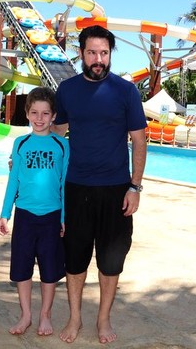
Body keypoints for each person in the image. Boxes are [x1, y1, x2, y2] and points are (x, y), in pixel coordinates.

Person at [52, 25, 148, 344]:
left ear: (110, 55)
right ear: (81, 53)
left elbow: (138, 139)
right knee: (75, 259)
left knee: (110, 261)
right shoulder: (67, 90)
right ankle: (75, 318)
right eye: (92, 52)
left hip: (116, 190)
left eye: (104, 53)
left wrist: (135, 187)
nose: (98, 59)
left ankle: (103, 318)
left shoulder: (126, 91)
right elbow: (56, 132)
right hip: (76, 189)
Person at [0, 86, 70, 337]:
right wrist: (5, 213)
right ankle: (26, 314)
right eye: (35, 112)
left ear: (54, 116)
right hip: (25, 216)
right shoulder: (21, 143)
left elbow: (63, 185)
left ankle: (45, 315)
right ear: (27, 113)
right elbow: (13, 180)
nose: (40, 118)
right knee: (22, 268)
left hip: (51, 216)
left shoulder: (62, 145)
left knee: (50, 271)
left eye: (45, 113)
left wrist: (63, 218)